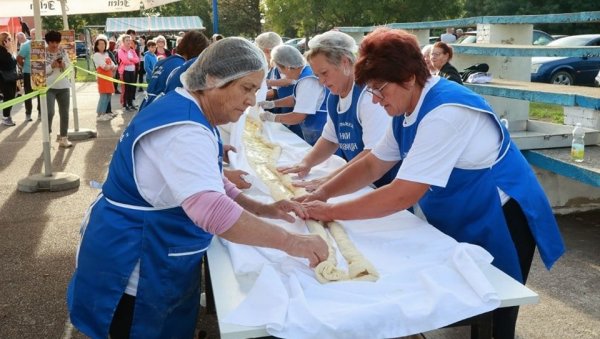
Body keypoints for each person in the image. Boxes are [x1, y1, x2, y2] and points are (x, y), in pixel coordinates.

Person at [299, 28, 565, 339]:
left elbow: (401, 194)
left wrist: (330, 212)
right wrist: (323, 193)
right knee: (464, 299)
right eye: (370, 90)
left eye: (379, 89)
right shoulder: (404, 106)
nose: (375, 98)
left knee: (496, 306)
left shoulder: (445, 112)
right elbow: (373, 164)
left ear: (409, 78)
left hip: (501, 215)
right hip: (464, 208)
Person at [66, 37, 328, 339]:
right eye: (246, 88)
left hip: (145, 245)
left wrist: (261, 208)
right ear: (213, 79)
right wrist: (293, 243)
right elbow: (210, 209)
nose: (251, 100)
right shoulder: (186, 131)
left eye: (256, 90)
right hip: (137, 258)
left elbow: (210, 179)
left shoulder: (186, 108)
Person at [278, 30, 399, 191]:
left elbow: (374, 152)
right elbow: (330, 139)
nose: (321, 81)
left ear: (345, 62)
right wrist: (305, 163)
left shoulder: (368, 96)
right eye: (317, 75)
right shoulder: (334, 97)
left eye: (324, 73)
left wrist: (331, 178)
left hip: (384, 185)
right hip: (359, 180)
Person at [258, 45, 328, 146]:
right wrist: (272, 104)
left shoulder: (308, 81)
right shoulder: (304, 73)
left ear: (287, 67)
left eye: (279, 69)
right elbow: (295, 99)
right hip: (313, 132)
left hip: (320, 132)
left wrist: (273, 117)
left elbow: (298, 116)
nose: (281, 74)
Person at [45, 30, 72, 147]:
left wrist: (63, 65)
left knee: (64, 113)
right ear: (48, 42)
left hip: (64, 86)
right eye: (52, 42)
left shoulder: (63, 51)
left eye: (57, 42)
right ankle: (48, 134)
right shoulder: (43, 53)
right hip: (48, 87)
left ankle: (63, 137)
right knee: (49, 112)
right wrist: (51, 66)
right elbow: (40, 71)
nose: (55, 45)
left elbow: (70, 67)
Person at [92, 34, 117, 122]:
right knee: (103, 96)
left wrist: (111, 66)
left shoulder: (106, 54)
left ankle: (105, 113)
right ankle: (100, 114)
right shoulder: (96, 55)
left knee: (108, 95)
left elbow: (113, 65)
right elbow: (104, 66)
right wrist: (111, 66)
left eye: (103, 44)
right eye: (100, 44)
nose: (102, 46)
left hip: (109, 77)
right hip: (102, 78)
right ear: (96, 46)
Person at [17, 31, 41, 121]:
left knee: (40, 93)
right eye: (33, 34)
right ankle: (28, 114)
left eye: (37, 33)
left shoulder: (43, 45)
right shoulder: (27, 45)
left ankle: (41, 113)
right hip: (28, 73)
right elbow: (19, 58)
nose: (35, 35)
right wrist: (25, 66)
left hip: (40, 73)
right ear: (30, 35)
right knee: (28, 94)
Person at [117, 34, 140, 111]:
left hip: (132, 71)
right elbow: (125, 61)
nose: (128, 42)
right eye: (126, 40)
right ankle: (124, 105)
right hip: (125, 72)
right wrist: (131, 60)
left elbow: (137, 60)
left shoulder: (132, 50)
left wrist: (131, 59)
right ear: (123, 42)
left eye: (129, 40)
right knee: (126, 88)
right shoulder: (120, 51)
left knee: (131, 88)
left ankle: (130, 104)